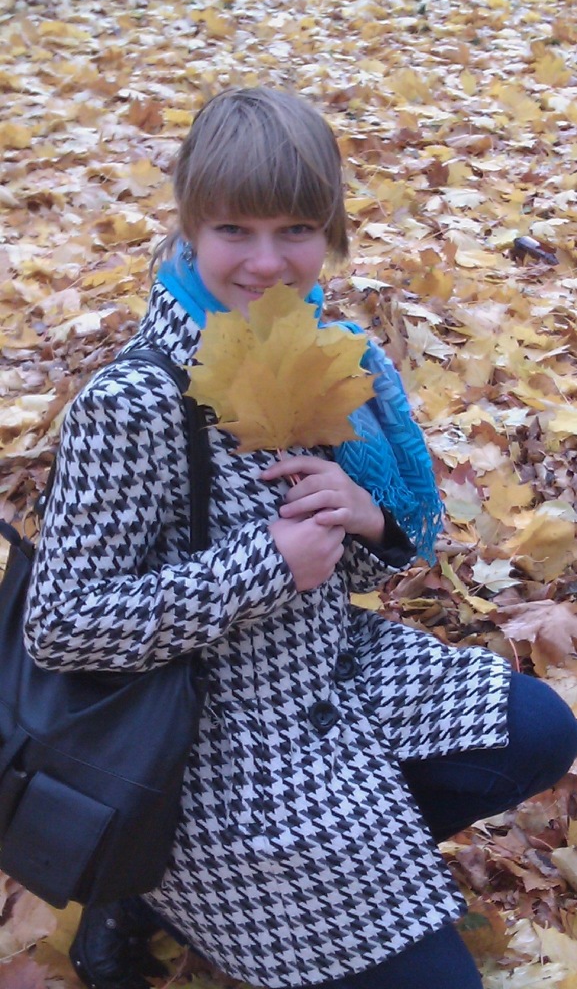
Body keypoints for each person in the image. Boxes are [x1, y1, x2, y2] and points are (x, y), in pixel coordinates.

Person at [24, 87, 577, 989]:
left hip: (328, 669)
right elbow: (61, 625)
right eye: (233, 230)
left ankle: (300, 871)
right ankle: (152, 872)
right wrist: (262, 567)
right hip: (198, 735)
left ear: (329, 231)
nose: (265, 262)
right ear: (190, 227)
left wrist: (366, 516)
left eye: (294, 230)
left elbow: (353, 556)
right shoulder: (132, 404)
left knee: (536, 730)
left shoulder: (313, 348)